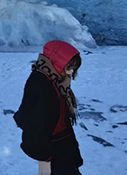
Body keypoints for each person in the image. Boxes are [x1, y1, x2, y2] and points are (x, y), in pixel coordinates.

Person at [14, 40, 84, 175]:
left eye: (74, 68)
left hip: (62, 146)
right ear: (58, 61)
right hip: (51, 149)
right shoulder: (40, 83)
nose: (71, 72)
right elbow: (33, 122)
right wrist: (44, 158)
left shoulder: (56, 79)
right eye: (69, 66)